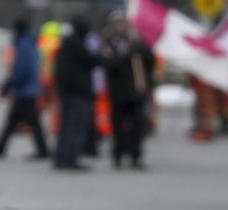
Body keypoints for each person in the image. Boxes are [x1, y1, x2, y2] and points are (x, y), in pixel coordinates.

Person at [0, 19, 51, 160]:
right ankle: (1, 147)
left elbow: (21, 69)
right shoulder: (30, 43)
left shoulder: (23, 45)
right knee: (20, 120)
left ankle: (1, 147)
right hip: (30, 87)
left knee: (21, 120)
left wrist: (10, 84)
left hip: (25, 89)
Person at [100, 12, 156, 170]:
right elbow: (109, 64)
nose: (120, 27)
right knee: (118, 126)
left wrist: (140, 48)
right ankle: (118, 155)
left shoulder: (136, 42)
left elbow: (150, 62)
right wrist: (126, 55)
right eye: (117, 24)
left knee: (137, 126)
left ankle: (135, 156)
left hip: (136, 90)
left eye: (122, 24)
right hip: (118, 92)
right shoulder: (109, 43)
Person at [51, 19, 98, 172]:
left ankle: (62, 158)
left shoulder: (66, 45)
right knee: (75, 128)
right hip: (78, 93)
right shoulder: (77, 45)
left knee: (66, 127)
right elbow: (93, 60)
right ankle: (70, 158)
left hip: (68, 92)